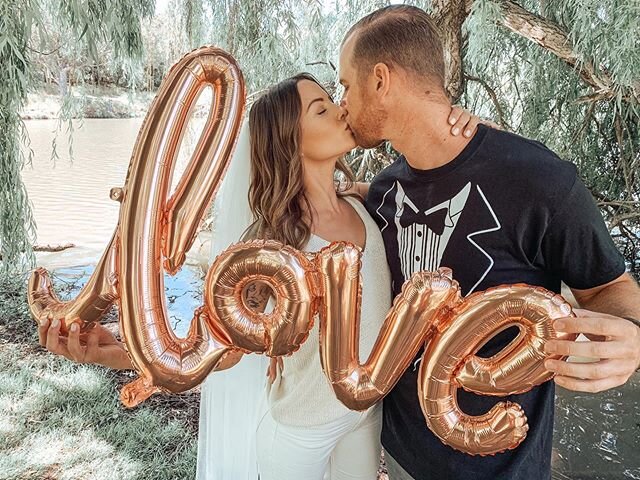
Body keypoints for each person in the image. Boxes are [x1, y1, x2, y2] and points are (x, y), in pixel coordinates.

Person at [37, 72, 481, 479]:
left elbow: (441, 168)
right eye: (321, 109)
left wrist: (454, 123)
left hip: (363, 418)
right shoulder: (272, 242)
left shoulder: (368, 208)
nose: (341, 109)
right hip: (297, 432)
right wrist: (115, 352)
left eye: (332, 100)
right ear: (291, 138)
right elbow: (219, 346)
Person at [337, 5, 640, 480]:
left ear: (379, 80)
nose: (342, 103)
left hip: (502, 463)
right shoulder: (380, 192)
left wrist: (631, 335)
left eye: (345, 85)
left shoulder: (538, 179)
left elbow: (611, 289)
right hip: (399, 454)